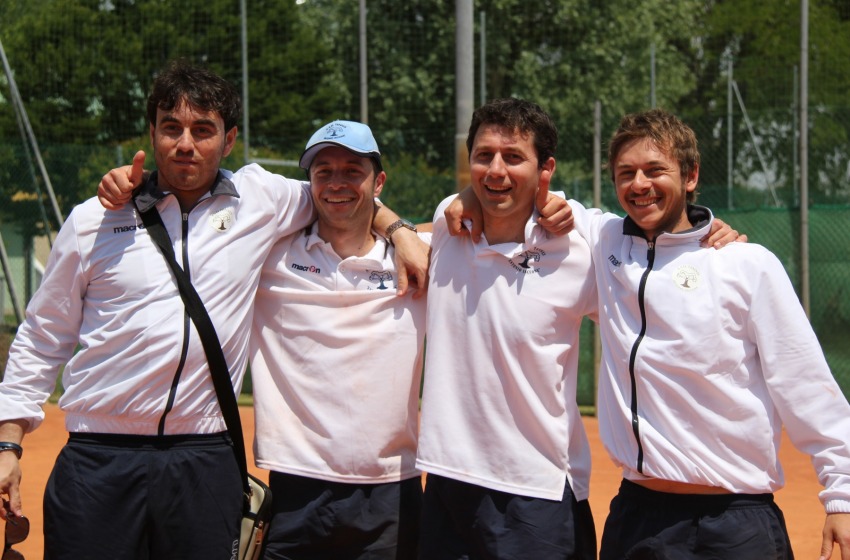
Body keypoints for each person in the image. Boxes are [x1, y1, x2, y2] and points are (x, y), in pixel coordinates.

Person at [0, 60, 425, 559]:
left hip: (204, 457)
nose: (186, 144)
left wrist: (399, 229)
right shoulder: (95, 219)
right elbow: (43, 334)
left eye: (203, 130)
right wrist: (8, 444)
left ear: (228, 140)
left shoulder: (262, 198)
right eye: (171, 128)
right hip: (99, 455)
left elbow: (343, 194)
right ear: (153, 133)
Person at [567, 108, 850, 559]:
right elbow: (528, 198)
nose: (639, 184)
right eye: (626, 173)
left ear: (691, 175)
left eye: (655, 170)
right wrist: (456, 203)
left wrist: (842, 494)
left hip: (736, 524)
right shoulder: (605, 244)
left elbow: (804, 382)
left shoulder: (746, 264)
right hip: (637, 517)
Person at [415, 97, 600, 559]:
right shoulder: (446, 223)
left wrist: (713, 230)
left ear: (546, 168)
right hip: (446, 485)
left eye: (513, 157)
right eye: (484, 156)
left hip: (535, 496)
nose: (495, 170)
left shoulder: (582, 247)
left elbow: (653, 245)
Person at [248, 120, 429, 559]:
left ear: (379, 181)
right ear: (308, 183)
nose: (337, 183)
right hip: (295, 490)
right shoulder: (269, 255)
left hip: (391, 491)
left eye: (353, 170)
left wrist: (399, 229)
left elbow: (490, 214)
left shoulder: (421, 257)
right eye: (323, 171)